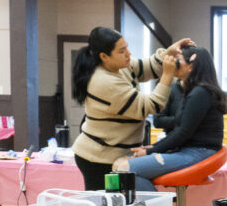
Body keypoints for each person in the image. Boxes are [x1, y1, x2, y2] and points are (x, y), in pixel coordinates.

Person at [70, 26, 191, 191]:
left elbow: (147, 67)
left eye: (126, 47)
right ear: (104, 56)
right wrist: (167, 76)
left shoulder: (119, 66)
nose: (129, 53)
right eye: (122, 51)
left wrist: (168, 53)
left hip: (119, 155)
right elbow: (151, 106)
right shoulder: (104, 81)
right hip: (99, 157)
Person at [114, 46, 227, 191]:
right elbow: (180, 130)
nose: (174, 64)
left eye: (178, 60)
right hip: (192, 150)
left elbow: (182, 132)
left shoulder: (200, 93)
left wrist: (150, 151)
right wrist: (154, 148)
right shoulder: (198, 91)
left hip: (197, 152)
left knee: (124, 169)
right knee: (119, 164)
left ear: (191, 66)